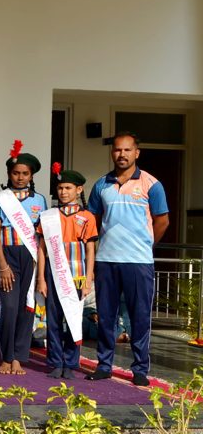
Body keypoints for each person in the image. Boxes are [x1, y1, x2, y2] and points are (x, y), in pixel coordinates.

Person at [85, 131, 169, 386]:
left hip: (138, 262)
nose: (122, 154)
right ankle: (104, 365)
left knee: (139, 317)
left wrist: (146, 244)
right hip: (107, 261)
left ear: (137, 153)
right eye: (117, 150)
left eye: (127, 150)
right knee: (106, 316)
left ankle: (140, 369)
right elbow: (92, 221)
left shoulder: (152, 184)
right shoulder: (101, 184)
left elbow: (162, 221)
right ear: (112, 153)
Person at [0, 140, 48, 375]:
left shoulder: (40, 200)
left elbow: (42, 236)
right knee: (10, 306)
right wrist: (3, 265)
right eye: (16, 173)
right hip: (8, 256)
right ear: (9, 174)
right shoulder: (0, 199)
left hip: (31, 257)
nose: (20, 177)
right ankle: (6, 357)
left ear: (31, 175)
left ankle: (19, 358)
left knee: (27, 306)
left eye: (25, 173)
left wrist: (40, 267)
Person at [36, 163, 97, 380]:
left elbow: (90, 250)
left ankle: (70, 362)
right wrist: (41, 278)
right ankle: (55, 362)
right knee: (53, 320)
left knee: (73, 318)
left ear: (79, 190)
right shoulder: (48, 216)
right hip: (53, 274)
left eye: (68, 188)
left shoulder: (87, 217)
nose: (63, 192)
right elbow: (41, 248)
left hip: (77, 275)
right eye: (60, 188)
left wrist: (88, 279)